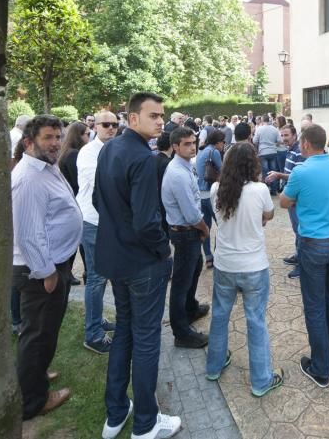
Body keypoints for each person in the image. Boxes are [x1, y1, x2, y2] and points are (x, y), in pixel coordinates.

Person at [96, 93, 180, 439]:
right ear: (133, 119)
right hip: (142, 263)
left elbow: (98, 201)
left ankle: (116, 411)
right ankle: (146, 422)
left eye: (162, 116)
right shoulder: (141, 157)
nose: (161, 122)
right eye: (153, 116)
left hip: (117, 258)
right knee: (145, 339)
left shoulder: (109, 149)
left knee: (126, 331)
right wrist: (164, 250)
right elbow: (147, 222)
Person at [11, 115, 82, 419]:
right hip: (41, 270)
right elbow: (28, 232)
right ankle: (33, 401)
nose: (55, 143)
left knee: (42, 333)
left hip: (53, 264)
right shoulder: (28, 178)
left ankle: (34, 376)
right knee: (38, 334)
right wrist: (47, 272)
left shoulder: (45, 167)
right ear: (29, 142)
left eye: (58, 137)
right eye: (48, 138)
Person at [206, 143, 284, 397]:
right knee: (256, 320)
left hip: (225, 264)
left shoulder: (216, 189)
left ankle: (214, 365)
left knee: (219, 315)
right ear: (253, 164)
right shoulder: (260, 189)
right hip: (253, 266)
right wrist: (257, 218)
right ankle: (261, 380)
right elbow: (269, 214)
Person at [280, 125, 329, 388]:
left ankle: (320, 368)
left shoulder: (301, 171)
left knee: (314, 305)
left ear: (305, 144)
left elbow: (285, 202)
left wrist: (300, 200)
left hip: (313, 246)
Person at [162, 126, 211, 349]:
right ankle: (181, 332)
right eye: (187, 144)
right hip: (185, 232)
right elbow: (191, 214)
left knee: (195, 269)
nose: (193, 147)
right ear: (175, 146)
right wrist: (204, 229)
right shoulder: (177, 173)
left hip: (189, 231)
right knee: (181, 282)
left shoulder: (185, 166)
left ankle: (190, 309)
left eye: (194, 143)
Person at [76, 110, 120, 354]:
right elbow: (102, 183)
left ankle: (98, 319)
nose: (111, 128)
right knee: (96, 277)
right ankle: (92, 333)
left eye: (114, 124)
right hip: (93, 221)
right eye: (106, 124)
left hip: (105, 220)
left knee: (100, 276)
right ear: (95, 126)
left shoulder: (112, 148)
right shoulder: (88, 152)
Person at [266, 124, 304, 278]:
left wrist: (278, 175)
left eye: (286, 135)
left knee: (301, 231)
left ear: (295, 135)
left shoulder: (299, 151)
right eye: (281, 135)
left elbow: (299, 177)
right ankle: (298, 255)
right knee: (297, 230)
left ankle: (303, 264)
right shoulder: (291, 150)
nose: (283, 139)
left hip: (296, 199)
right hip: (291, 197)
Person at [57, 121, 90, 286]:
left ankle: (70, 272)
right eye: (87, 134)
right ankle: (85, 271)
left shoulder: (66, 152)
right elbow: (78, 182)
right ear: (79, 135)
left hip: (70, 201)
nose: (89, 138)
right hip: (75, 201)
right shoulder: (73, 154)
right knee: (79, 240)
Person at [196, 128, 226, 268]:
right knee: (222, 225)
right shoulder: (214, 152)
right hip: (211, 193)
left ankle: (208, 257)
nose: (224, 145)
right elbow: (222, 170)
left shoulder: (201, 150)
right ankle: (219, 254)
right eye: (223, 142)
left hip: (200, 195)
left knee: (205, 228)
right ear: (218, 142)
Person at [253, 115, 281, 195]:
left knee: (265, 171)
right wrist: (275, 145)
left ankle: (265, 190)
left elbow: (255, 141)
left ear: (262, 120)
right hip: (273, 151)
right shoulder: (274, 129)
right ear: (269, 120)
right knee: (273, 171)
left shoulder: (259, 129)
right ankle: (274, 190)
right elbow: (279, 140)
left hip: (263, 152)